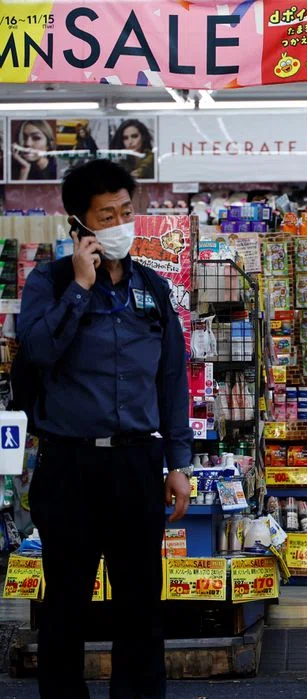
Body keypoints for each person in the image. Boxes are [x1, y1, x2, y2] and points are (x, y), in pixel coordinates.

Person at [18, 159, 192, 698]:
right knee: (66, 603)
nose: (120, 224)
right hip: (68, 464)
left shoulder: (152, 287)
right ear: (79, 224)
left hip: (136, 463)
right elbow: (38, 350)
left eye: (125, 211)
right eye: (106, 215)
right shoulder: (48, 283)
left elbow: (171, 376)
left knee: (140, 602)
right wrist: (80, 285)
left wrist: (179, 463)